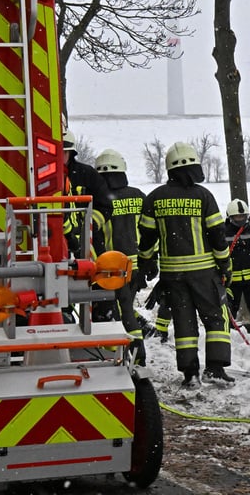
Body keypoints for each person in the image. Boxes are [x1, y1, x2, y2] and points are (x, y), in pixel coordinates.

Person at [137, 141, 234, 387]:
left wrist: (147, 263)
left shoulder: (155, 197)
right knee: (215, 319)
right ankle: (215, 368)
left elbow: (147, 237)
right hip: (203, 273)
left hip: (172, 276)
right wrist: (225, 266)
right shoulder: (203, 195)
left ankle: (190, 373)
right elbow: (217, 235)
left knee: (184, 322)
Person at [94, 148, 149, 365]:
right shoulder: (138, 196)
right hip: (134, 265)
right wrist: (147, 260)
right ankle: (135, 355)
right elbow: (148, 231)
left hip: (110, 267)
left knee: (116, 312)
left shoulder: (98, 199)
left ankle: (129, 356)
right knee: (127, 309)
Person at [63, 130, 112, 260]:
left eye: (63, 153)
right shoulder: (46, 178)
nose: (59, 157)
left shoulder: (86, 174)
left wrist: (89, 226)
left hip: (89, 242)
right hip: (57, 241)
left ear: (70, 153)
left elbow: (105, 205)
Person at [224, 199, 250, 335]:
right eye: (237, 216)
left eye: (242, 216)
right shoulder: (223, 233)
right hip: (231, 282)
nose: (240, 219)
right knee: (230, 310)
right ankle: (230, 337)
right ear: (230, 217)